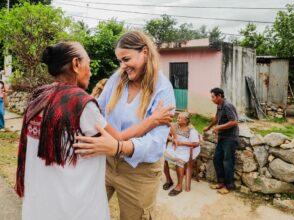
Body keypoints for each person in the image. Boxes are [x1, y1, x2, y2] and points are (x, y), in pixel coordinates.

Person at [16, 42, 172, 220]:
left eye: (125, 59)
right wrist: (153, 120)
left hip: (43, 199)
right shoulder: (82, 104)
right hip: (73, 203)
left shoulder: (39, 96)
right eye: (88, 65)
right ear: (76, 64)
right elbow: (118, 137)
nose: (90, 71)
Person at [74, 31, 175, 219]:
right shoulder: (117, 78)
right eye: (120, 61)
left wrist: (119, 146)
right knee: (87, 211)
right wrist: (149, 122)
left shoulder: (163, 89)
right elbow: (99, 113)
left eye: (126, 59)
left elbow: (155, 143)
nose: (122, 66)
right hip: (106, 161)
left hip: (139, 172)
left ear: (144, 52)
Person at [203, 88, 239, 194]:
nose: (212, 99)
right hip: (222, 137)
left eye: (213, 97)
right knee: (216, 159)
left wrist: (219, 127)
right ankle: (221, 182)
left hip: (230, 138)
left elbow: (234, 122)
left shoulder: (227, 105)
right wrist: (209, 127)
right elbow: (216, 118)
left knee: (228, 162)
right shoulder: (219, 105)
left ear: (219, 96)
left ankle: (229, 186)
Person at [163, 112, 200, 196]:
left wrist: (181, 143)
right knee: (162, 158)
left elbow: (196, 144)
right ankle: (169, 180)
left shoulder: (191, 130)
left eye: (180, 118)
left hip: (186, 150)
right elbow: (167, 135)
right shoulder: (175, 126)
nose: (177, 119)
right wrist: (172, 140)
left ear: (186, 120)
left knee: (179, 161)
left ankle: (179, 186)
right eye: (178, 117)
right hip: (175, 148)